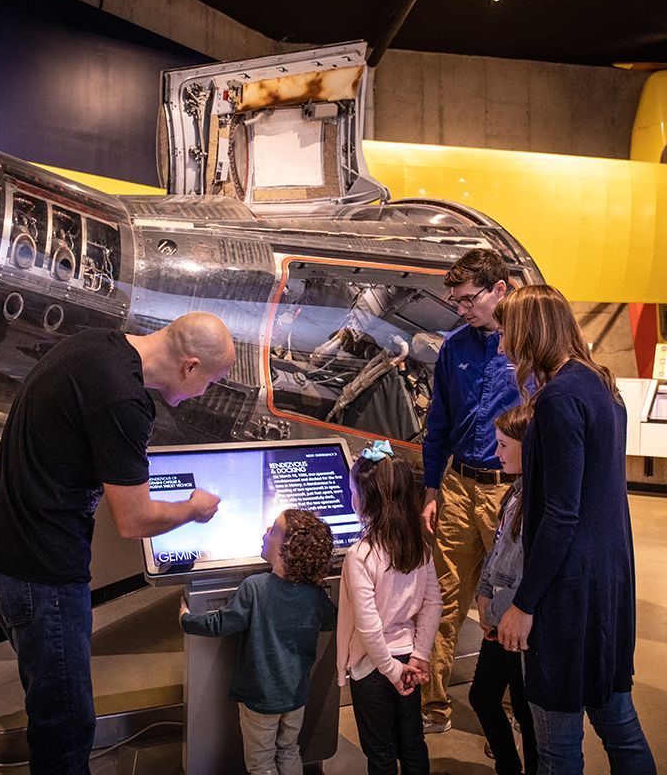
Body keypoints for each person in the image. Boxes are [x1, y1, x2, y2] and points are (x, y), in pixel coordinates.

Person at [0, 312, 235, 775]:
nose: (204, 394)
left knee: (51, 702)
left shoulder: (96, 345)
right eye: (210, 381)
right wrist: (193, 507)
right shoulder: (123, 401)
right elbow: (132, 519)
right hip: (39, 572)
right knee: (66, 723)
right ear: (189, 366)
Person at [495, 285, 655, 775]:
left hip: (568, 587)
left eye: (507, 333)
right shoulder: (602, 386)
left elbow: (562, 513)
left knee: (557, 740)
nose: (503, 347)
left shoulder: (559, 399)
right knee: (616, 717)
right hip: (607, 577)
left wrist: (524, 604)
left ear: (529, 332)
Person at [420, 248, 524, 733]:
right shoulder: (455, 347)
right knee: (443, 598)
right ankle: (432, 705)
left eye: (468, 299)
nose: (461, 309)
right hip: (458, 486)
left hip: (511, 493)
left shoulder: (528, 347)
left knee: (505, 602)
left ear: (499, 289)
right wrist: (430, 489)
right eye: (456, 302)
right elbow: (437, 422)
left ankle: (506, 713)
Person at [180, 509, 336, 775]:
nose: (266, 532)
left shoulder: (255, 588)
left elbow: (220, 623)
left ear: (286, 547)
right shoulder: (315, 594)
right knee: (289, 749)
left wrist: (186, 618)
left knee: (261, 761)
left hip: (261, 698)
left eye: (273, 529)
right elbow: (331, 620)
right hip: (296, 695)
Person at [337, 440, 441, 775]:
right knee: (412, 743)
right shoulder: (419, 548)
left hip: (373, 667)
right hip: (407, 658)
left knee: (380, 752)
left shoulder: (360, 555)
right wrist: (419, 655)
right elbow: (432, 603)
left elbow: (368, 627)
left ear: (365, 501)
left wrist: (392, 671)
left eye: (354, 491)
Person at [469, 405, 538, 775]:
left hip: (514, 624)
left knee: (527, 713)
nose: (496, 454)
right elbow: (497, 551)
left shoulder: (536, 503)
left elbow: (531, 571)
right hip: (498, 620)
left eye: (503, 445)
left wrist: (495, 610)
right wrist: (483, 593)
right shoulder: (514, 494)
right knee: (482, 696)